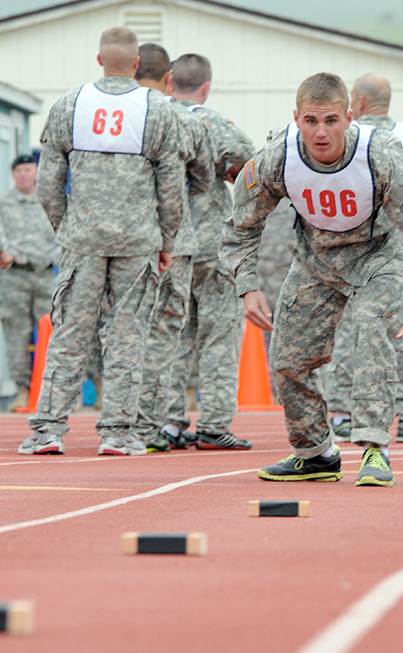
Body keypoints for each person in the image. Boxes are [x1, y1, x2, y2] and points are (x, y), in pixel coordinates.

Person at [219, 72, 403, 487]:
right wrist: (247, 284)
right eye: (311, 121)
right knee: (288, 360)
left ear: (350, 117)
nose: (321, 132)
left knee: (369, 331)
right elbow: (240, 225)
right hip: (315, 262)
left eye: (330, 121)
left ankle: (374, 448)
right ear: (296, 119)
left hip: (378, 259)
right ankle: (314, 454)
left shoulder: (381, 158)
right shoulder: (276, 158)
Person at [18, 26, 183, 455]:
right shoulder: (158, 109)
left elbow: (48, 182)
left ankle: (48, 428)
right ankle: (118, 432)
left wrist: (66, 228)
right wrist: (167, 239)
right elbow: (171, 186)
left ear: (98, 61)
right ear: (135, 64)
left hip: (82, 239)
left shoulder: (71, 104)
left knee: (70, 332)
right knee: (128, 336)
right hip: (138, 240)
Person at [325, 72, 403, 444]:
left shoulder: (346, 138)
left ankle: (341, 413)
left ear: (358, 104)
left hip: (353, 255)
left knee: (351, 332)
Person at [160, 53, 255, 451]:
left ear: (169, 83)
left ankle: (166, 420)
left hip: (169, 244)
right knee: (219, 336)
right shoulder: (214, 122)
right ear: (206, 86)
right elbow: (252, 163)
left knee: (173, 334)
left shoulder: (157, 118)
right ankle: (214, 424)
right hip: (213, 246)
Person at [131, 43, 213, 453]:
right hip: (176, 240)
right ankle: (154, 424)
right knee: (168, 332)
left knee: (125, 330)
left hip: (124, 239)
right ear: (168, 80)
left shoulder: (105, 115)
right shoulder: (184, 119)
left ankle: (119, 424)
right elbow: (205, 178)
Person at [0, 154, 57, 412]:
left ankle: (55, 390)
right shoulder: (4, 202)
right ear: (13, 174)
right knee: (17, 334)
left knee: (54, 330)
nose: (24, 174)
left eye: (28, 169)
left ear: (36, 172)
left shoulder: (49, 199)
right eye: (19, 170)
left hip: (45, 273)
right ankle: (23, 389)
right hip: (15, 275)